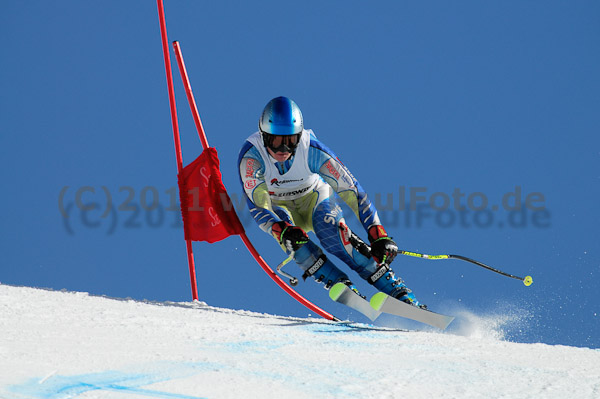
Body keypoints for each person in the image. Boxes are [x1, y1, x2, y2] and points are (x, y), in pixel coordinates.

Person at [237, 96, 425, 308]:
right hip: (278, 206)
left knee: (334, 234)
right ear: (263, 136)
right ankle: (340, 284)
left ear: (299, 136)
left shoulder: (313, 150)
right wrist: (279, 230)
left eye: (290, 141)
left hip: (313, 198)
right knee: (292, 240)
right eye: (275, 140)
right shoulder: (251, 157)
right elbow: (257, 204)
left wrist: (377, 233)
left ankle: (401, 295)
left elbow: (353, 192)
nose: (283, 149)